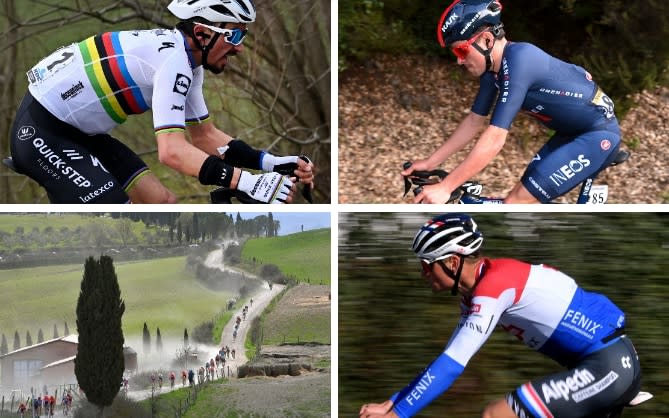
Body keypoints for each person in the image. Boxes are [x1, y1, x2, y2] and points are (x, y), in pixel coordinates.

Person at [9, 0, 314, 204]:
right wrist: (246, 183)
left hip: (82, 134)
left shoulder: (188, 64)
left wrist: (270, 163)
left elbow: (205, 136)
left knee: (163, 202)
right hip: (42, 134)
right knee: (121, 216)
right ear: (202, 33)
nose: (240, 49)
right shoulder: (172, 60)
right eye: (234, 37)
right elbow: (172, 152)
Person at [359, 213, 643, 418]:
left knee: (497, 415)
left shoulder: (493, 287)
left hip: (606, 366)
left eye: (426, 265)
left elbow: (452, 366)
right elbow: (448, 359)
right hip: (601, 364)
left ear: (452, 262)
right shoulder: (476, 291)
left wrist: (399, 414)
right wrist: (392, 404)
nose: (422, 272)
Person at [401, 0, 621, 204]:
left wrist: (447, 187)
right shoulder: (492, 72)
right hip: (570, 134)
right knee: (516, 200)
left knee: (515, 202)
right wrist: (430, 163)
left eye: (461, 50)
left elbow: (495, 137)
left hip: (597, 135)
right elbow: (474, 121)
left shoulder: (520, 60)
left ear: (486, 40)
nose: (459, 60)